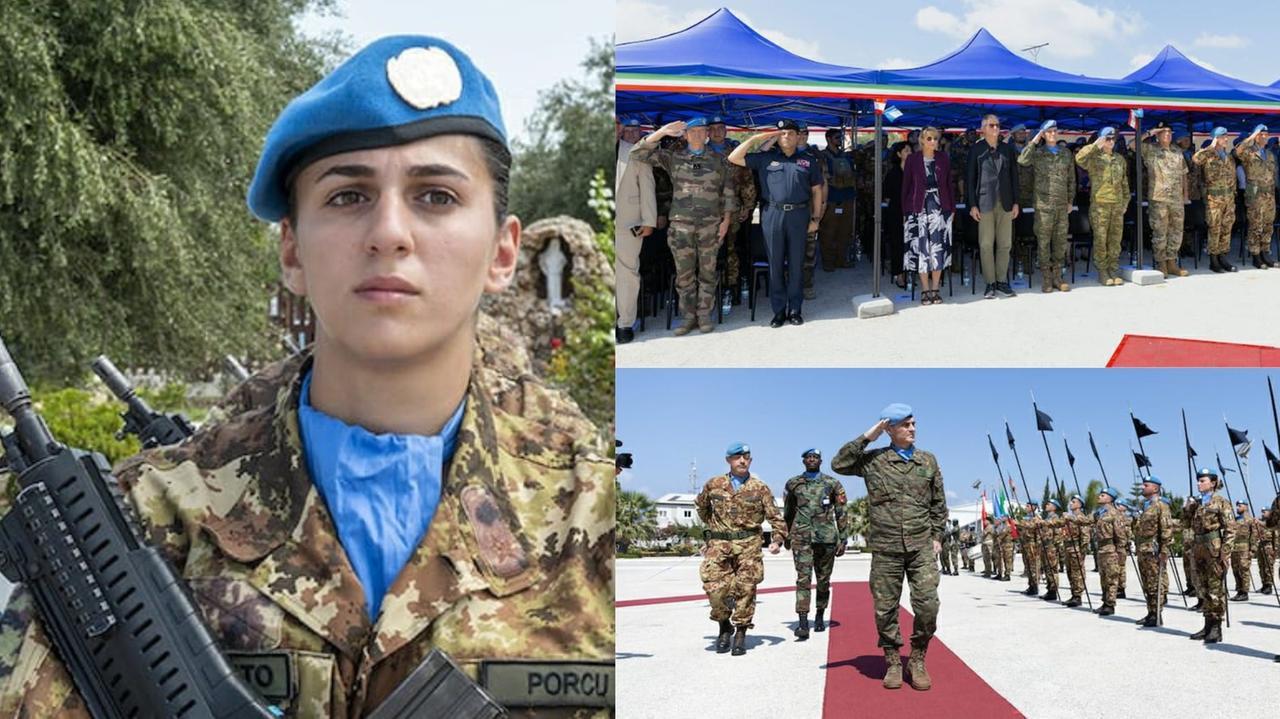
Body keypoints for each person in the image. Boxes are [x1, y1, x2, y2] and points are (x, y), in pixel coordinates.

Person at [0, 35, 616, 717]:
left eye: (436, 196)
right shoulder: (141, 529)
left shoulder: (595, 513)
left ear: (503, 252)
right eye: (349, 195)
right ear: (292, 250)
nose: (389, 232)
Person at [832, 404, 947, 692]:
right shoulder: (873, 460)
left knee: (928, 604)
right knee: (885, 609)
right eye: (906, 425)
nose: (912, 429)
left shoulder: (928, 460)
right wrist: (869, 436)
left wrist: (937, 536)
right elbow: (839, 464)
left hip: (920, 545)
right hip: (886, 547)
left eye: (914, 424)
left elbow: (938, 503)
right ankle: (893, 660)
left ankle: (918, 657)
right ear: (890, 429)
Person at [631, 117, 737, 335]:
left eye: (701, 131)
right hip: (681, 226)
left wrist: (726, 221)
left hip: (710, 226)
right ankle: (688, 317)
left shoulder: (719, 160)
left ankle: (705, 315)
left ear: (707, 134)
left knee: (708, 273)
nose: (697, 135)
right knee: (684, 275)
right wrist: (661, 132)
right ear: (685, 135)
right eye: (692, 131)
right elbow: (637, 153)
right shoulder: (674, 158)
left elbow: (728, 192)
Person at [728, 120, 824, 327]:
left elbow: (817, 190)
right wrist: (755, 139)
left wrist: (816, 219)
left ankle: (795, 309)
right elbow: (733, 157)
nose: (786, 137)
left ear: (799, 136)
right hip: (772, 214)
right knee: (775, 264)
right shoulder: (765, 158)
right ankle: (779, 311)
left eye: (791, 133)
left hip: (799, 215)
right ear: (777, 137)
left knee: (797, 265)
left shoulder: (809, 161)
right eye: (782, 134)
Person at [695, 443, 787, 656]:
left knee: (746, 589)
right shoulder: (714, 484)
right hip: (719, 546)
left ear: (751, 461)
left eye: (746, 457)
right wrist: (715, 529)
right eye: (737, 457)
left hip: (749, 546)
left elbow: (775, 517)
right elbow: (702, 507)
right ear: (728, 460)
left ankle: (740, 633)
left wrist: (777, 540)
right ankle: (724, 626)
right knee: (715, 590)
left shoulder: (760, 488)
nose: (742, 461)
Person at [783, 449, 849, 640]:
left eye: (815, 457)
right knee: (803, 579)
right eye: (808, 457)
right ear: (803, 461)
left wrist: (843, 538)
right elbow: (788, 512)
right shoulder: (794, 483)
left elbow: (842, 512)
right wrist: (786, 535)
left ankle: (820, 614)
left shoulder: (832, 484)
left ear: (821, 461)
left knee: (823, 580)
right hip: (802, 538)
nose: (812, 460)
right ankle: (803, 621)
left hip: (826, 539)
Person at [964, 114, 1020, 299]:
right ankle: (990, 283)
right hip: (984, 202)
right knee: (986, 244)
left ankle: (1002, 280)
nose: (995, 128)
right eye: (991, 125)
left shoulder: (1007, 149)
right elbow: (970, 179)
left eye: (997, 125)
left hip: (1005, 202)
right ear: (983, 128)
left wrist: (1016, 202)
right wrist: (972, 204)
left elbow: (1014, 177)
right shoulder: (976, 150)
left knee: (1005, 244)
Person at [1018, 120, 1076, 292]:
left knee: (1059, 243)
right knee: (1043, 243)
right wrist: (1034, 141)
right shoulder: (1037, 153)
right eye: (1048, 131)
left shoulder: (1066, 153)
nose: (1052, 134)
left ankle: (1058, 277)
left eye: (1054, 131)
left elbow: (1071, 179)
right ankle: (1046, 278)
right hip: (1044, 206)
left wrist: (1070, 201)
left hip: (1061, 206)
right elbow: (1022, 160)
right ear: (1043, 134)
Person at [615, 119, 657, 343]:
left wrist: (649, 220)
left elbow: (647, 186)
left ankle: (625, 323)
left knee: (627, 275)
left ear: (619, 128)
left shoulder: (634, 152)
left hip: (627, 223)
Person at [902, 126, 954, 305]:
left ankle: (935, 288)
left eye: (936, 138)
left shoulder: (943, 158)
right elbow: (906, 186)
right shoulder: (912, 159)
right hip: (917, 209)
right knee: (922, 249)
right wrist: (905, 212)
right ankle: (925, 289)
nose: (934, 142)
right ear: (922, 140)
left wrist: (951, 210)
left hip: (940, 208)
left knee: (938, 249)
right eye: (930, 138)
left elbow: (949, 184)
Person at [1075, 127, 1130, 286]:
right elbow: (1079, 158)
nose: (1111, 142)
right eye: (1107, 139)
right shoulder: (1094, 158)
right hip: (1100, 206)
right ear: (1101, 140)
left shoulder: (1119, 159)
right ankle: (1102, 271)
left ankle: (1113, 269)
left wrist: (1125, 202)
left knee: (1115, 240)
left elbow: (1124, 183)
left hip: (1117, 205)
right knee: (1101, 239)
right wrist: (1095, 145)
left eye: (1113, 139)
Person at [1141, 121, 1189, 279]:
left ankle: (1172, 262)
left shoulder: (1177, 151)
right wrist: (1150, 132)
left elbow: (1184, 174)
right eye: (1164, 131)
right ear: (1158, 134)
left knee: (1176, 231)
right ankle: (1161, 262)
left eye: (1169, 131)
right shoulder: (1151, 149)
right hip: (1159, 198)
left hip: (1176, 199)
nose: (1168, 134)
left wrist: (1185, 195)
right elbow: (1133, 144)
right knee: (1160, 231)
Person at [1193, 127, 1239, 273]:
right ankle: (1214, 260)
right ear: (1216, 138)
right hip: (1214, 199)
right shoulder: (1208, 155)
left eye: (1226, 136)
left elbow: (1232, 178)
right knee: (1215, 229)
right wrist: (1211, 147)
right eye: (1223, 136)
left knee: (1227, 228)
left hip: (1229, 198)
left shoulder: (1228, 157)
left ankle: (1223, 257)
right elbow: (1196, 159)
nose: (1226, 139)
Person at [1232, 124, 1278, 269]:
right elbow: (1236, 152)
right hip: (1255, 194)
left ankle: (1265, 253)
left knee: (1268, 225)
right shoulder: (1249, 152)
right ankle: (1256, 255)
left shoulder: (1270, 154)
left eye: (1266, 134)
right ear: (1256, 136)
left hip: (1269, 194)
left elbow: (1273, 174)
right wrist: (1250, 137)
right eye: (1261, 134)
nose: (1265, 137)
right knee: (1255, 226)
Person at [1132, 477, 1173, 627]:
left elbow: (1166, 529)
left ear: (1155, 488)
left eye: (1146, 485)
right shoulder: (1144, 506)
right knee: (1147, 583)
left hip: (1153, 550)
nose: (1143, 487)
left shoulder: (1161, 506)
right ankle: (1150, 612)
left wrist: (1164, 551)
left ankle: (1157, 614)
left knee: (1155, 583)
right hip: (1143, 550)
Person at [818, 127, 857, 271]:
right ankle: (828, 262)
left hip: (847, 198)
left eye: (840, 137)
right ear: (828, 139)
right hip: (831, 199)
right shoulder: (822, 157)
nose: (839, 140)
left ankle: (841, 259)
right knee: (828, 232)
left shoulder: (846, 156)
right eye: (836, 137)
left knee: (845, 232)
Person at [1092, 487, 1127, 615]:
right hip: (1101, 549)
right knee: (1103, 578)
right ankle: (1105, 601)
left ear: (1110, 498)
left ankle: (1110, 605)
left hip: (1111, 549)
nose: (1099, 496)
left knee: (1111, 578)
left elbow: (1121, 535)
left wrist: (1120, 552)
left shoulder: (1115, 514)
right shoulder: (1099, 514)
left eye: (1102, 495)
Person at [884, 141, 911, 290]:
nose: (909, 153)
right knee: (898, 244)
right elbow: (887, 196)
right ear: (899, 154)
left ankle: (910, 272)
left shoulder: (914, 172)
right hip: (896, 212)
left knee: (911, 244)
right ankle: (899, 274)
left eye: (910, 150)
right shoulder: (893, 173)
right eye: (906, 151)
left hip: (912, 211)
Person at [1063, 495, 1093, 607]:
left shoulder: (1081, 518)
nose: (1071, 503)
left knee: (1077, 573)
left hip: (1076, 549)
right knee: (1070, 572)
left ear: (1080, 504)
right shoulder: (1070, 518)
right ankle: (1073, 594)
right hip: (1068, 548)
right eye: (1071, 501)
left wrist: (1082, 552)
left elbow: (1085, 537)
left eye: (1074, 502)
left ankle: (1078, 596)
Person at [1230, 500, 1255, 601]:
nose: (1237, 508)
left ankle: (1245, 592)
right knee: (1235, 570)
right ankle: (1239, 590)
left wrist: (1253, 549)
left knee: (1244, 570)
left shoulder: (1250, 520)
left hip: (1245, 548)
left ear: (1246, 507)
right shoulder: (1235, 519)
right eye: (1237, 506)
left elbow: (1254, 535)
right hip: (1234, 548)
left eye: (1240, 506)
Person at [1039, 499, 1063, 601]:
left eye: (1049, 504)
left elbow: (1057, 533)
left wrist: (1055, 546)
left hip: (1051, 546)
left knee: (1052, 569)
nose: (1046, 505)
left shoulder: (1054, 518)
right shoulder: (1047, 518)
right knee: (1047, 569)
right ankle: (1049, 589)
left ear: (1054, 507)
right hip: (1046, 546)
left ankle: (1053, 590)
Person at [1017, 501, 1042, 596]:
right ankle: (1031, 585)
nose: (1026, 507)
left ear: (1034, 507)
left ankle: (1035, 586)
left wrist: (1020, 524)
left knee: (1033, 566)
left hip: (1033, 545)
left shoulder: (1036, 517)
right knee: (1028, 566)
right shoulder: (1026, 517)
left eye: (1028, 506)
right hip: (1026, 544)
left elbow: (1033, 527)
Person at [1256, 507, 1275, 595]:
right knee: (1261, 566)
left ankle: (1269, 586)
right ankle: (1264, 584)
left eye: (1264, 512)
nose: (1263, 513)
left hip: (1269, 545)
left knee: (1268, 567)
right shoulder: (1261, 522)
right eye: (1262, 512)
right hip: (1261, 545)